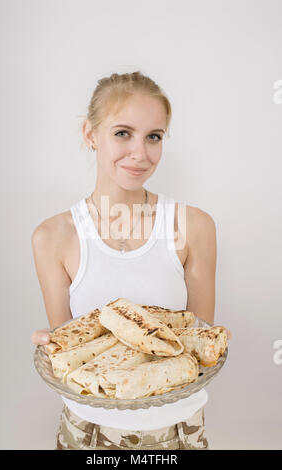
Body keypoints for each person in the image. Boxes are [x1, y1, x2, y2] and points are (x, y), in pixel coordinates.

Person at [31, 71, 231, 450]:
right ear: (91, 135)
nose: (140, 153)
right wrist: (54, 345)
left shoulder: (195, 226)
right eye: (122, 133)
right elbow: (73, 359)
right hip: (87, 431)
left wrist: (211, 341)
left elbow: (197, 341)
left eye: (153, 137)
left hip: (179, 429)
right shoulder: (52, 237)